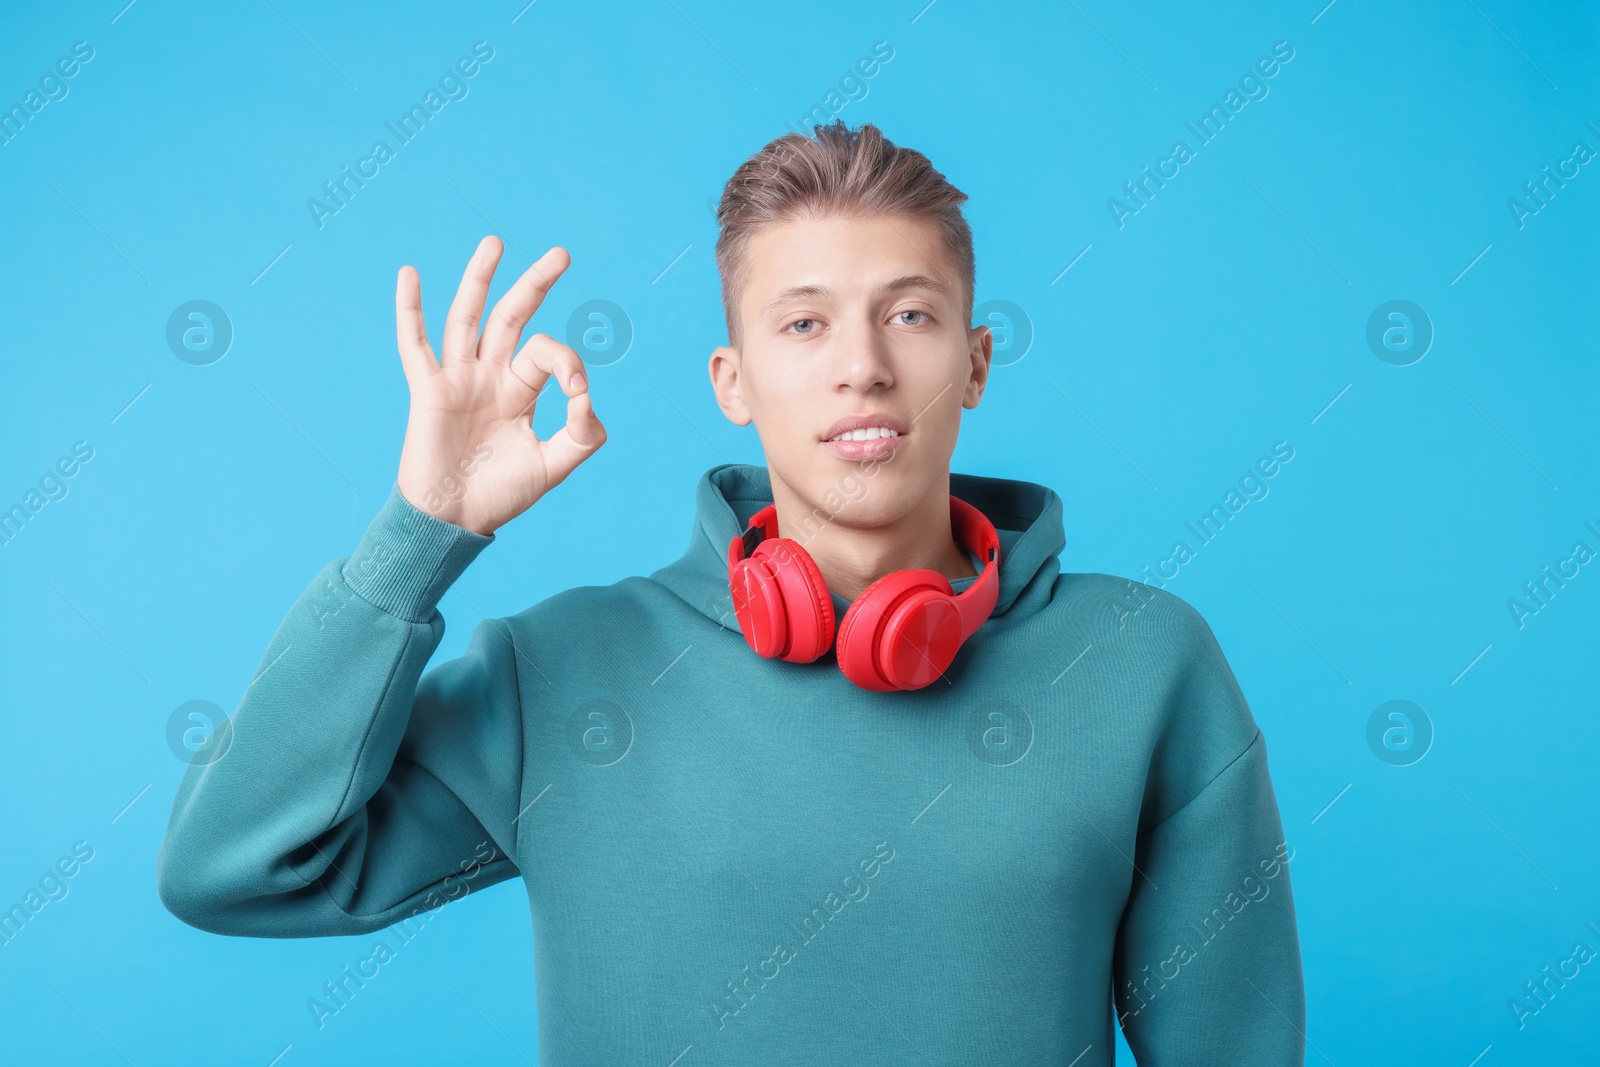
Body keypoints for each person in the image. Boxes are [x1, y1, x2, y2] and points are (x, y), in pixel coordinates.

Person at [157, 120, 1304, 1064]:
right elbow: (235, 866)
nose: (860, 362)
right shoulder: (567, 670)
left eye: (909, 314)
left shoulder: (1141, 663)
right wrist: (421, 534)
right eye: (801, 323)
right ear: (733, 381)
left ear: (973, 361)